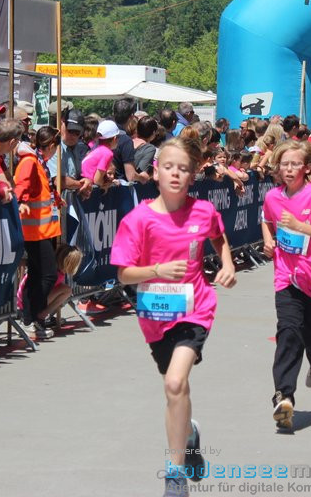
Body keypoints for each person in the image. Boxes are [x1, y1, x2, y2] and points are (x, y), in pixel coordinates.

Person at [110, 135, 236, 496]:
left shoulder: (203, 211)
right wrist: (157, 271)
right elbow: (123, 274)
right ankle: (190, 433)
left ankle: (174, 474)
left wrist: (226, 264)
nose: (176, 174)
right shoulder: (138, 220)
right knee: (175, 388)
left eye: (183, 169)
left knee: (174, 384)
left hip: (196, 308)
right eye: (169, 168)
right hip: (154, 315)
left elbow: (219, 237)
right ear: (156, 172)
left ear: (192, 175)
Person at [261, 140, 311, 432]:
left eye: (295, 163)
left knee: (310, 330)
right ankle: (284, 396)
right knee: (288, 331)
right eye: (284, 164)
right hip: (286, 276)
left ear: (306, 167)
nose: (289, 168)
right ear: (278, 168)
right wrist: (269, 240)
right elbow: (266, 220)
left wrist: (300, 226)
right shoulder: (272, 197)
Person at [14, 126, 66, 339]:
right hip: (34, 230)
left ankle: (34, 320)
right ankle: (30, 318)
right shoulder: (30, 162)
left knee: (37, 275)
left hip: (43, 229)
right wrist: (21, 201)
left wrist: (55, 199)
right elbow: (21, 187)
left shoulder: (39, 162)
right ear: (52, 145)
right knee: (47, 275)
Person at [18, 244, 82, 329]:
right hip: (26, 303)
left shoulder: (54, 269)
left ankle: (42, 315)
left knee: (66, 289)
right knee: (66, 290)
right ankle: (40, 316)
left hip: (27, 300)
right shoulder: (54, 273)